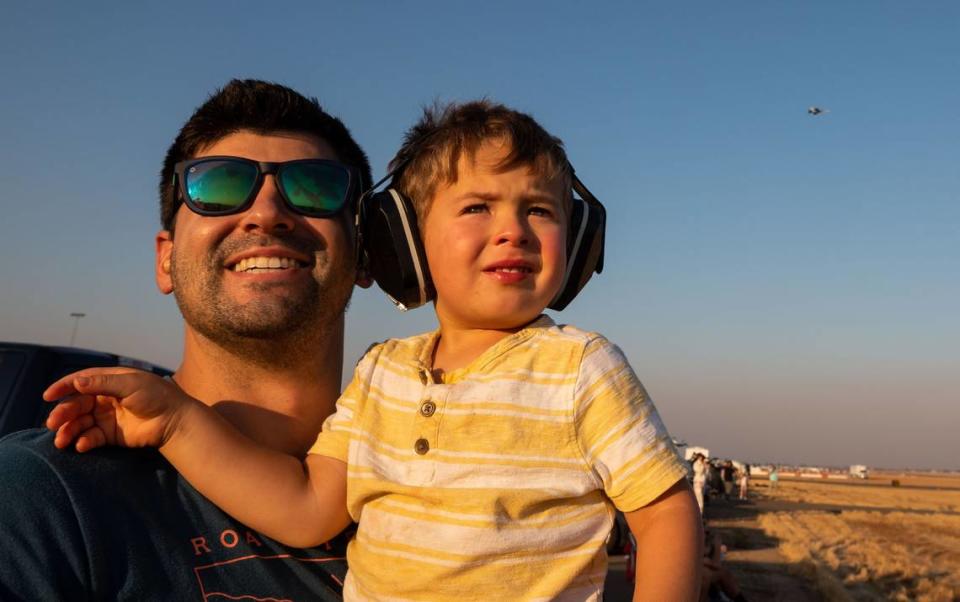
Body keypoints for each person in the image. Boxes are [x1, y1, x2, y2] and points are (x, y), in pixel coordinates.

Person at [46, 100, 703, 600]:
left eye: (541, 210)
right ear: (404, 245)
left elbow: (667, 515)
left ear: (579, 243)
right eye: (477, 207)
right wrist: (178, 422)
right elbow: (306, 509)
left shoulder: (583, 368)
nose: (513, 231)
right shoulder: (382, 375)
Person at [0, 79, 372, 600]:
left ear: (365, 256)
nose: (267, 214)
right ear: (165, 259)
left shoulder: (449, 480)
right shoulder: (43, 500)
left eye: (315, 187)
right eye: (218, 186)